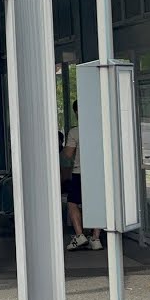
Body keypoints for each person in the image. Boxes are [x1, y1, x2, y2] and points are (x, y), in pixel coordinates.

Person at [61, 101, 103, 251]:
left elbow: (68, 154)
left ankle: (80, 236)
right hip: (99, 172)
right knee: (98, 203)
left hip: (80, 172)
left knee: (73, 203)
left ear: (76, 112)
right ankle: (95, 238)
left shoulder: (75, 132)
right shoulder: (101, 128)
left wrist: (63, 148)